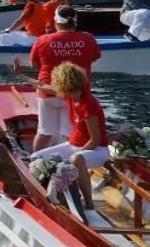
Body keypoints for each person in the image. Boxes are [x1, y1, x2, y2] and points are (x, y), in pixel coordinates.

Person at [12, 5, 101, 151]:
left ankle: (37, 160)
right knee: (70, 133)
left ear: (56, 22)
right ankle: (68, 161)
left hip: (48, 91)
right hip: (76, 94)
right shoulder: (88, 38)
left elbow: (35, 65)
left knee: (44, 131)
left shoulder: (43, 39)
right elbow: (94, 58)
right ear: (75, 22)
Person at [28, 61, 109, 212]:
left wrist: (72, 156)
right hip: (74, 146)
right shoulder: (69, 96)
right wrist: (20, 75)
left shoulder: (88, 105)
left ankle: (89, 203)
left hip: (97, 150)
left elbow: (95, 140)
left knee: (76, 159)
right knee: (35, 158)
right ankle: (52, 195)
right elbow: (42, 85)